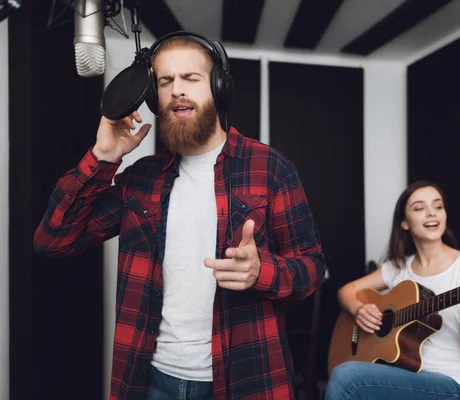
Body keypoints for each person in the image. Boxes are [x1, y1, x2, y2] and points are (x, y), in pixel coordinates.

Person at [33, 31, 326, 400]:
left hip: (246, 379)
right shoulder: (140, 178)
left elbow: (312, 268)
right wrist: (103, 156)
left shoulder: (271, 168)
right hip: (151, 380)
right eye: (165, 81)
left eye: (191, 78)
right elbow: (53, 241)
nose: (177, 91)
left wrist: (261, 272)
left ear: (218, 88)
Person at [325, 180, 460, 400]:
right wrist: (359, 309)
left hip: (457, 385)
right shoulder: (398, 268)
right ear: (404, 223)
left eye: (438, 206)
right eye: (419, 208)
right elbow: (346, 291)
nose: (431, 213)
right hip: (406, 377)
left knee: (346, 377)